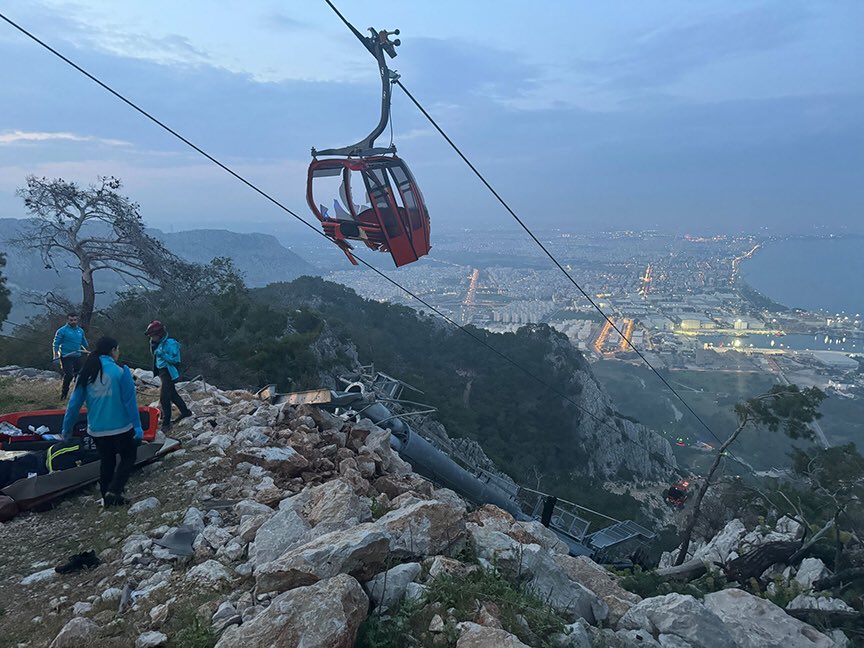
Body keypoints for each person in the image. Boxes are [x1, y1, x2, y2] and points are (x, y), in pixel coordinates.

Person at [61, 336, 143, 507]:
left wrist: (66, 429)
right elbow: (129, 402)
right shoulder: (121, 371)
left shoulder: (86, 373)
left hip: (97, 429)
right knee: (129, 457)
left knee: (107, 461)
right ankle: (115, 490)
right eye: (118, 350)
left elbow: (73, 404)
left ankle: (107, 498)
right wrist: (137, 427)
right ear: (113, 350)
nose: (119, 353)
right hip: (121, 427)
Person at [146, 320, 192, 432]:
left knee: (164, 398)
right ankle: (185, 412)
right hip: (162, 372)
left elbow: (176, 360)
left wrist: (163, 355)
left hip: (168, 372)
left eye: (153, 335)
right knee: (172, 395)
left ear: (160, 334)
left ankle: (166, 424)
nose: (152, 338)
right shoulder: (156, 343)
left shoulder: (170, 343)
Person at [52, 313, 89, 399]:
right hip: (66, 356)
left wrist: (88, 350)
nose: (73, 322)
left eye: (75, 320)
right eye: (71, 320)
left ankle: (79, 395)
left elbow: (84, 342)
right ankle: (64, 394)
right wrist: (55, 355)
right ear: (67, 320)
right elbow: (56, 344)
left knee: (80, 375)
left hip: (77, 355)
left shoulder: (80, 331)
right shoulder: (61, 331)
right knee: (69, 375)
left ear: (77, 320)